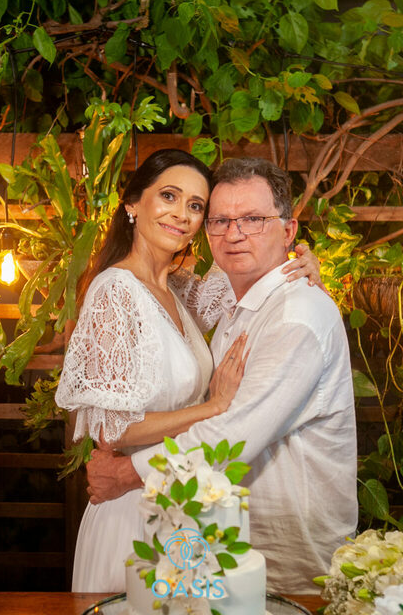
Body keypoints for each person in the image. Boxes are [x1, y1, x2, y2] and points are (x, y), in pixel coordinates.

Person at [85, 157, 357, 594]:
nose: (234, 234)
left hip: (284, 560)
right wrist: (210, 408)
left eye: (253, 219)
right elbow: (111, 420)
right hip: (197, 534)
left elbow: (232, 434)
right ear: (132, 204)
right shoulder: (222, 299)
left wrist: (125, 474)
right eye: (220, 220)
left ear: (289, 231)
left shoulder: (294, 314)